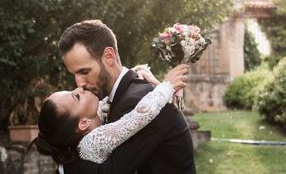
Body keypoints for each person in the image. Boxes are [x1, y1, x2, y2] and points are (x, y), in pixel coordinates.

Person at [39, 19, 196, 174]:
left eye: (84, 72)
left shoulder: (136, 101)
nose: (79, 83)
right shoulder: (121, 96)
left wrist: (166, 87)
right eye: (75, 74)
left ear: (108, 57)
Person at [34, 64, 188, 168]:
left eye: (71, 91)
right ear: (83, 123)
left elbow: (107, 101)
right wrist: (167, 85)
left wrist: (132, 74)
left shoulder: (89, 122)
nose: (79, 88)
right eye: (76, 97)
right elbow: (138, 117)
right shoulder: (92, 142)